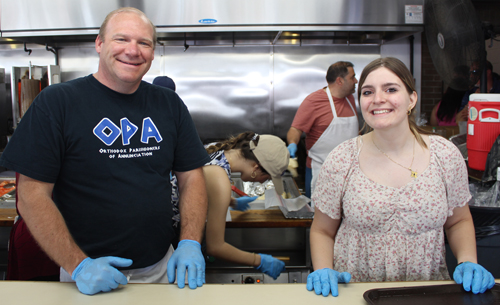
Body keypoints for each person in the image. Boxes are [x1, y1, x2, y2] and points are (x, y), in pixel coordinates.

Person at [0, 7, 211, 295]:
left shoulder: (169, 105)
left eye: (144, 43)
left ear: (153, 51)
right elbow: (31, 194)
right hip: (84, 275)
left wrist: (189, 242)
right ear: (99, 44)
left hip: (161, 269)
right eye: (121, 39)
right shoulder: (58, 103)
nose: (133, 51)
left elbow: (192, 177)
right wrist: (78, 265)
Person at [307, 57, 495, 297]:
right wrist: (324, 269)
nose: (378, 99)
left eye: (391, 89)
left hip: (428, 294)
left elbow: (458, 220)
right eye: (367, 92)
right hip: (356, 294)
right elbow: (322, 230)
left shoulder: (444, 155)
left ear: (411, 99)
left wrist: (468, 260)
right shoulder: (342, 159)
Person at [171, 131, 288, 279]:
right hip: (171, 238)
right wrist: (259, 261)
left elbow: (197, 188)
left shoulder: (217, 149)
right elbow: (216, 247)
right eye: (267, 177)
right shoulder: (219, 177)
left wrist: (231, 202)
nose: (262, 182)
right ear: (256, 168)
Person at [286, 61, 359, 200]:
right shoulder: (314, 101)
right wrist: (292, 144)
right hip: (321, 172)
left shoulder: (350, 99)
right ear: (339, 80)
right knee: (318, 216)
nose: (356, 81)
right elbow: (295, 129)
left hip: (350, 173)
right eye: (352, 77)